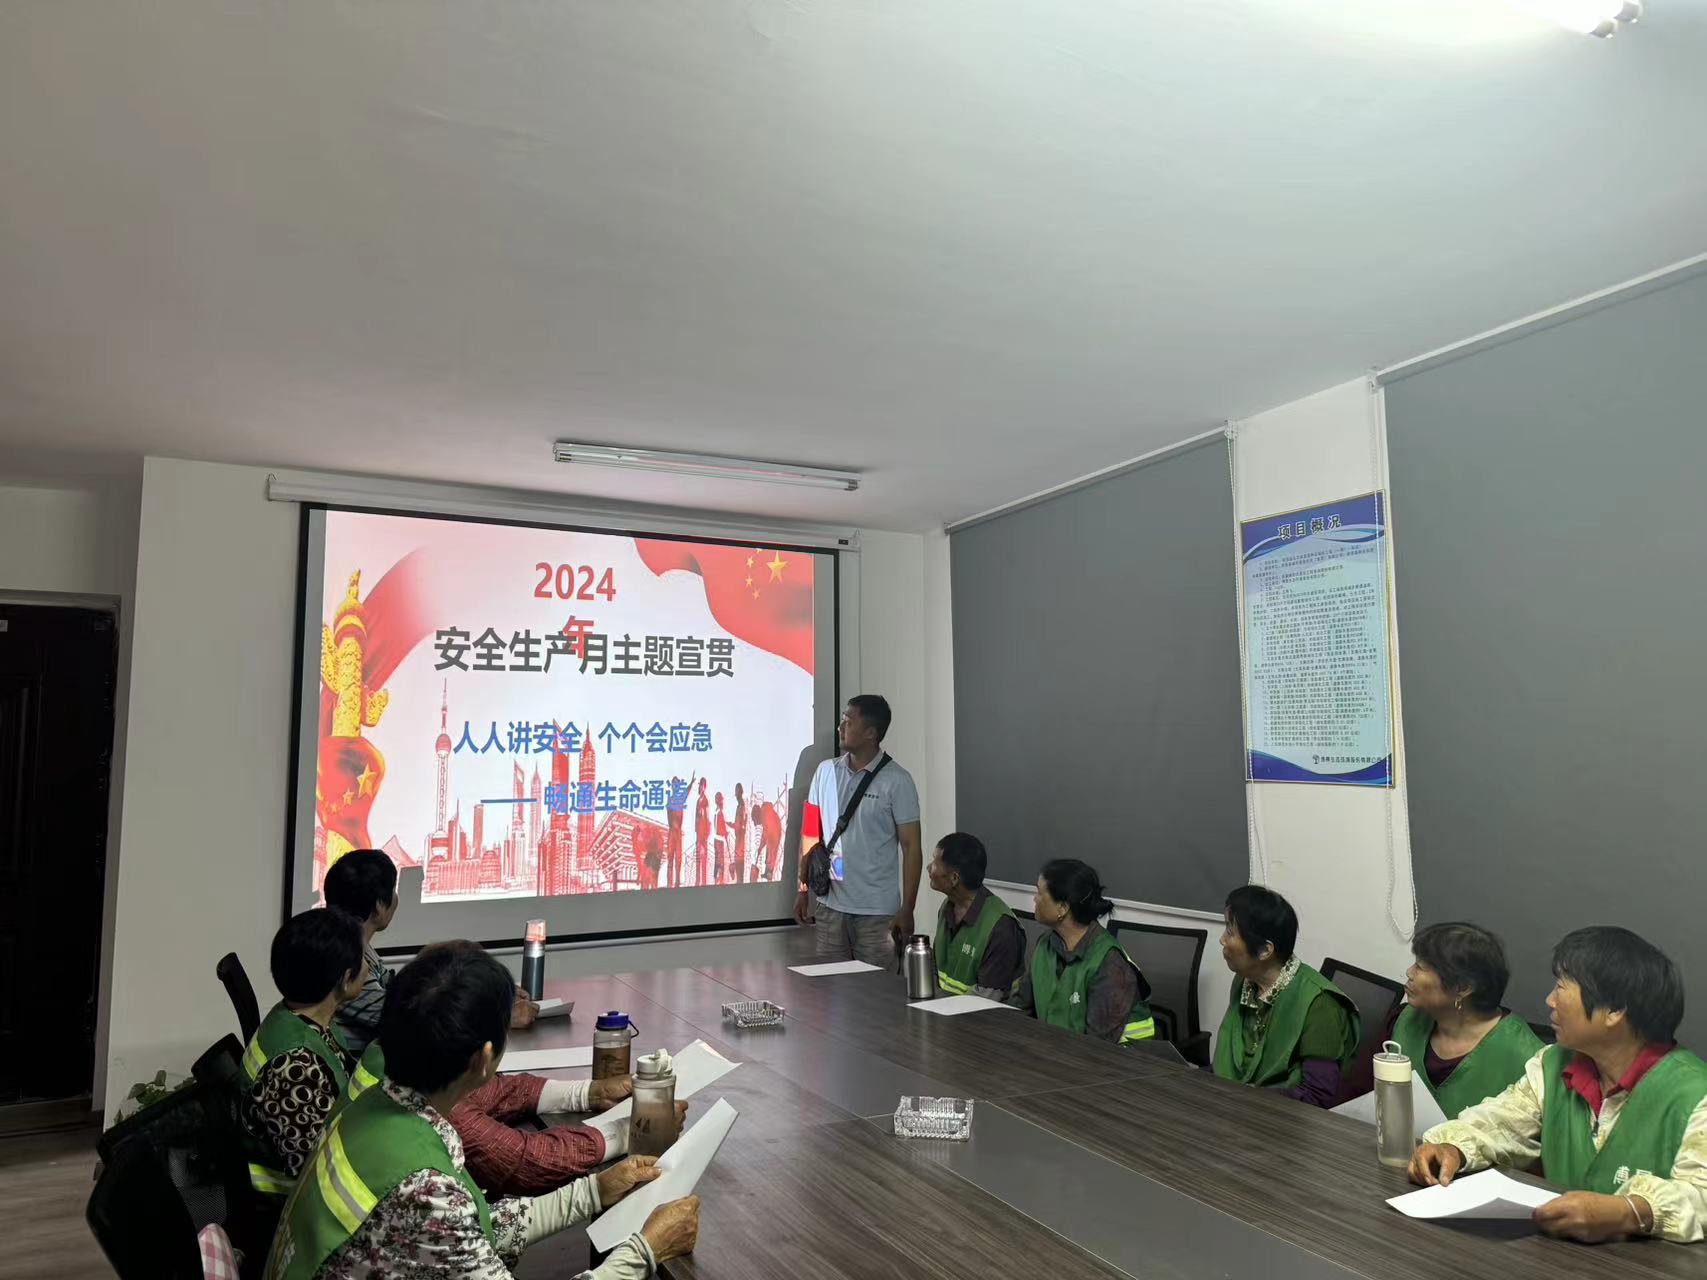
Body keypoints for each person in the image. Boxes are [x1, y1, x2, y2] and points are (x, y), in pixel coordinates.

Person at [264, 941, 699, 1279]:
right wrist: (647, 1249)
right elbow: (451, 1221)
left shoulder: (370, 1103)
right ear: (484, 1058)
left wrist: (593, 1192)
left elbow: (470, 1231)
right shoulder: (427, 1191)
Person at [1411, 926, 1707, 1244]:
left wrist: (1631, 1211)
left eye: (1561, 987)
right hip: (1558, 1258)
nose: (1550, 1000)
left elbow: (1700, 1195)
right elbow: (1502, 1122)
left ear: (1615, 1010)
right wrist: (1452, 1148)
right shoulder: (1553, 1063)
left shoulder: (1693, 1093)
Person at [325, 849, 537, 1050]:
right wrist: (501, 1017)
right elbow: (410, 1022)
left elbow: (399, 993)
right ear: (380, 905)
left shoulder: (358, 948)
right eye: (394, 890)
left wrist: (488, 994)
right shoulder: (346, 961)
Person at [241, 907, 366, 1196]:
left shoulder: (297, 1014)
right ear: (346, 979)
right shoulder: (297, 1066)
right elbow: (315, 1171)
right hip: (292, 1201)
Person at [794, 695, 923, 968]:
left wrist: (908, 909)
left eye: (849, 721)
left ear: (871, 733)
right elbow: (809, 834)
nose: (841, 727)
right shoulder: (825, 772)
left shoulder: (897, 781)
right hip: (830, 908)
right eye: (842, 720)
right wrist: (802, 889)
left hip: (877, 915)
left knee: (876, 990)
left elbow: (911, 847)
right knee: (829, 987)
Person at [1213, 885, 1360, 1107]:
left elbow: (1317, 1093)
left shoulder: (1320, 1004)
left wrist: (1250, 1099)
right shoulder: (1245, 982)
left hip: (1281, 1117)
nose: (1223, 940)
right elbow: (1233, 1065)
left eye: (1231, 932)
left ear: (1265, 950)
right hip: (1232, 1104)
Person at [1387, 921, 1543, 1119]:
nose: (1409, 972)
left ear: (1462, 988)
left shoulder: (1528, 1059)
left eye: (1420, 967)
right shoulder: (1406, 1018)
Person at [1010, 860, 1154, 1044]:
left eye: (1039, 892)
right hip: (1059, 1050)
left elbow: (1096, 1046)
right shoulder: (1046, 944)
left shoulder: (1109, 963)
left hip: (1117, 1059)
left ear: (1062, 908)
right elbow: (1019, 1006)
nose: (1035, 899)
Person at [928, 833, 1024, 999]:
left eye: (935, 863)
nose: (929, 868)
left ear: (954, 878)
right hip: (943, 1010)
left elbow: (987, 1000)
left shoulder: (1001, 927)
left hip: (982, 1014)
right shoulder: (947, 907)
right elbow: (936, 969)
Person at [754, 793, 783, 882]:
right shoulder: (764, 813)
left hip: (774, 835)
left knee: (771, 854)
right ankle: (768, 872)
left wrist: (763, 845)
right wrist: (760, 847)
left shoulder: (766, 813)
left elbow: (768, 833)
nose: (756, 823)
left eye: (755, 821)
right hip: (772, 834)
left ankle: (769, 872)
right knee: (769, 854)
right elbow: (765, 833)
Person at [665, 776, 686, 888]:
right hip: (672, 832)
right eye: (674, 784)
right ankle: (669, 883)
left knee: (678, 859)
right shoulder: (670, 800)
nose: (675, 786)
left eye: (677, 784)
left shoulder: (680, 799)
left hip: (678, 833)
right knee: (670, 858)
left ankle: (677, 883)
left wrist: (691, 783)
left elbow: (686, 793)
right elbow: (669, 817)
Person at [694, 778, 710, 886]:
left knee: (703, 858)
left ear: (704, 787)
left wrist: (706, 832)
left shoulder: (705, 800)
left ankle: (703, 882)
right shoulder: (698, 800)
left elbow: (707, 816)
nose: (700, 787)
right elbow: (696, 817)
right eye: (699, 785)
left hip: (703, 832)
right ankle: (697, 881)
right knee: (698, 857)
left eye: (702, 785)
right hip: (698, 832)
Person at [732, 784, 748, 885]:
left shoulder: (742, 805)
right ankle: (739, 881)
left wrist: (733, 825)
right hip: (738, 836)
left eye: (737, 791)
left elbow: (741, 822)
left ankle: (740, 882)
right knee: (737, 859)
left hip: (740, 837)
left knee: (739, 860)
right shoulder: (739, 805)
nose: (736, 794)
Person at [713, 791, 728, 885]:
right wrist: (725, 832)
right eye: (721, 799)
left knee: (717, 861)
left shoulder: (716, 811)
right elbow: (719, 828)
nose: (722, 801)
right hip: (720, 840)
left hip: (717, 839)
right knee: (720, 862)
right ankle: (720, 881)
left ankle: (717, 880)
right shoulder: (719, 812)